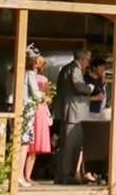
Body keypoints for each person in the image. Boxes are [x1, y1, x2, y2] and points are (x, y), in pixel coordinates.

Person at [54, 50, 94, 184]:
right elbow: (78, 86)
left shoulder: (65, 69)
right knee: (72, 146)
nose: (88, 63)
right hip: (74, 113)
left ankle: (62, 175)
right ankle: (68, 175)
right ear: (82, 59)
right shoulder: (75, 70)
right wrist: (89, 88)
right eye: (87, 60)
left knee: (66, 145)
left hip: (68, 111)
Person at [19, 53, 52, 185]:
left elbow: (47, 96)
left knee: (30, 143)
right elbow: (42, 95)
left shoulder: (30, 75)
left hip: (35, 109)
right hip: (33, 109)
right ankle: (23, 176)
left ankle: (25, 176)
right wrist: (45, 98)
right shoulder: (30, 75)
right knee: (27, 143)